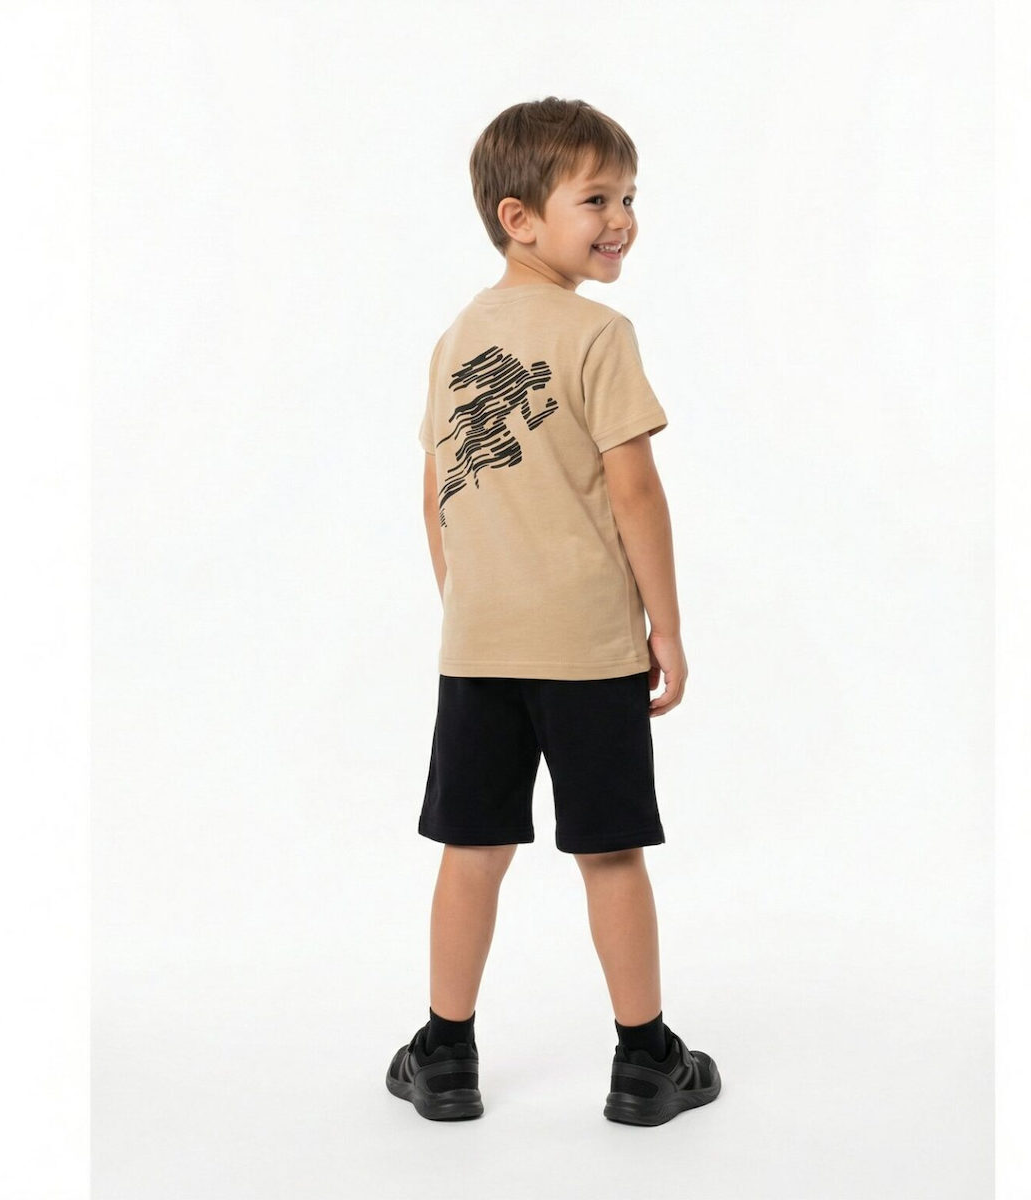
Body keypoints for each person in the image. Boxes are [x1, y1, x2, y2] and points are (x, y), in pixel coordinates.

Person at [385, 96, 721, 1126]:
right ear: (520, 217)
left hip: (478, 644)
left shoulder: (455, 340)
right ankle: (645, 1061)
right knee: (609, 852)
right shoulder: (598, 334)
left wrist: (470, 606)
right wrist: (666, 625)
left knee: (472, 850)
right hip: (588, 648)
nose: (622, 220)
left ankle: (445, 1055)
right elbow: (636, 492)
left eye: (629, 198)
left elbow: (436, 494)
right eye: (598, 199)